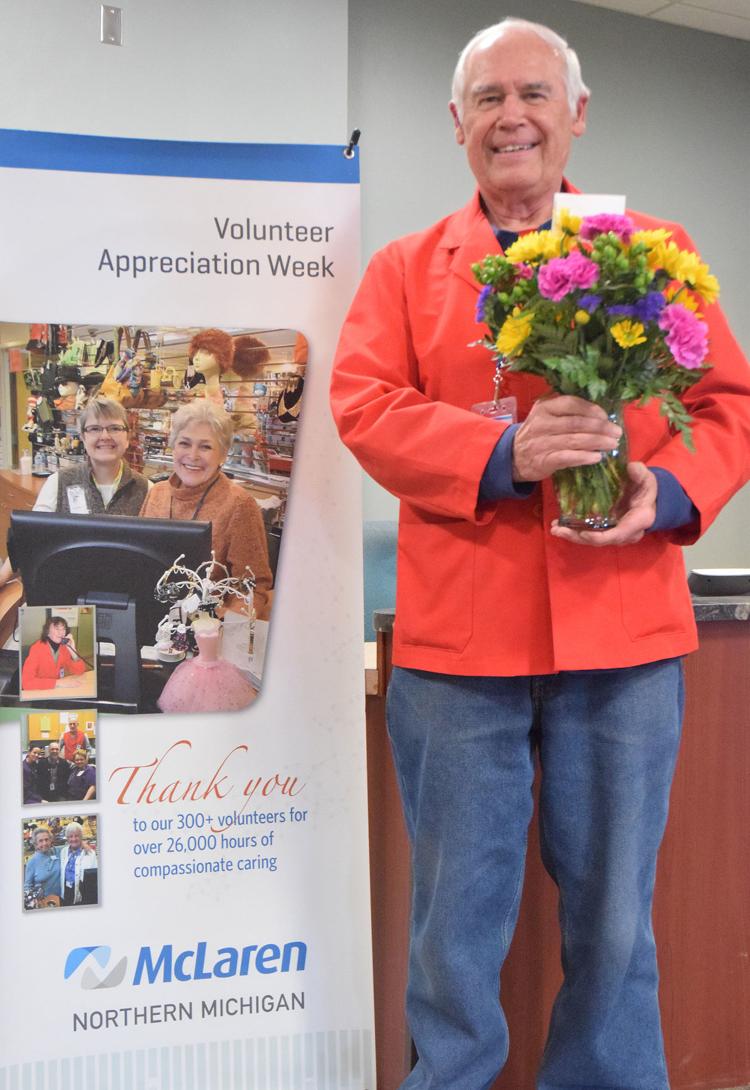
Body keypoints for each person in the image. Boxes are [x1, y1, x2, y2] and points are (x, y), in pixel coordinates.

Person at [330, 18, 750, 1090]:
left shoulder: (660, 253)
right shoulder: (405, 269)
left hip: (625, 636)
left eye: (532, 94)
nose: (511, 116)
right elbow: (363, 405)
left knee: (616, 917)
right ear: (459, 124)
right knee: (453, 928)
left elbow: (726, 401)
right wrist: (502, 453)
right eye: (488, 99)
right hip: (458, 649)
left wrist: (671, 493)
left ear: (576, 114)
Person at [140, 399, 272, 619]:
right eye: (184, 443)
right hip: (150, 622)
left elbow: (253, 588)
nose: (192, 455)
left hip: (206, 634)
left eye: (205, 446)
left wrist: (216, 626)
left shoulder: (239, 504)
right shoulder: (157, 493)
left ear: (223, 455)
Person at [0, 396, 150, 587]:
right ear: (83, 436)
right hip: (69, 596)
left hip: (128, 595)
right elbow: (28, 538)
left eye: (114, 428)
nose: (105, 436)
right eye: (95, 428)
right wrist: (3, 577)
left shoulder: (147, 488)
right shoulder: (59, 482)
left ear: (127, 437)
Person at [21, 616, 88, 693]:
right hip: (39, 691)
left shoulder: (63, 647)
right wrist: (58, 683)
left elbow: (79, 671)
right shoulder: (36, 648)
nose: (61, 632)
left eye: (63, 629)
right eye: (57, 629)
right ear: (48, 632)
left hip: (56, 690)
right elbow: (26, 683)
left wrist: (73, 651)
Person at [59, 820, 97, 907]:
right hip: (66, 892)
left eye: (77, 836)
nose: (73, 839)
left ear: (81, 837)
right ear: (67, 838)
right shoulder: (63, 851)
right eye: (70, 836)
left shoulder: (90, 853)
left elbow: (94, 879)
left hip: (83, 895)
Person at [23, 827, 61, 903]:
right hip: (44, 903)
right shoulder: (32, 862)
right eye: (40, 841)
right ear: (36, 844)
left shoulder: (57, 851)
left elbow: (72, 845)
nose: (44, 843)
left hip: (61, 899)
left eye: (46, 839)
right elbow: (27, 887)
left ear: (50, 840)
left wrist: (83, 844)